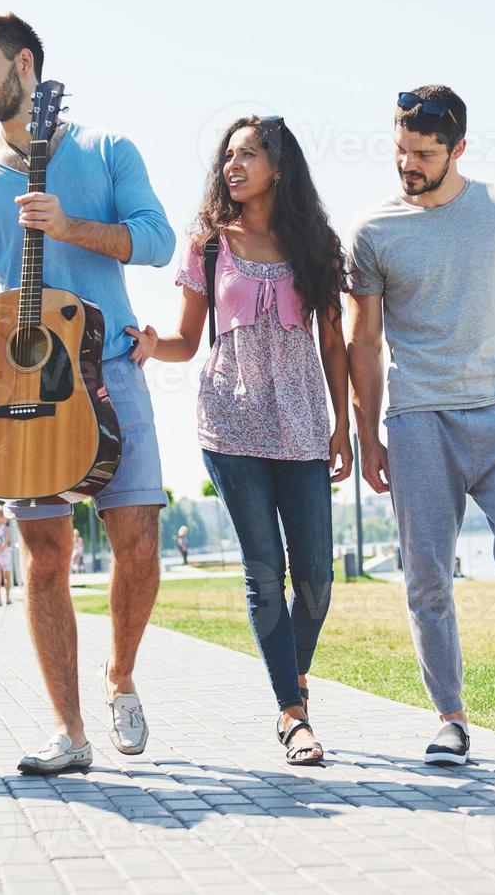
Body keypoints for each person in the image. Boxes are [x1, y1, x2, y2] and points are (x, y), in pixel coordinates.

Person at [0, 14, 174, 774]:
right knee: (45, 555)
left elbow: (156, 240)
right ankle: (71, 731)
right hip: (21, 386)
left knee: (137, 542)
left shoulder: (104, 149)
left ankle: (121, 673)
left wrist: (74, 226)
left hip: (113, 371)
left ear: (25, 63)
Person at [345, 86, 495, 766]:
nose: (407, 164)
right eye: (400, 151)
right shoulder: (373, 231)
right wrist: (368, 434)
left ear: (458, 149)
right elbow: (363, 345)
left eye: (422, 153)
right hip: (420, 419)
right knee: (426, 575)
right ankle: (449, 716)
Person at [130, 115, 352, 765]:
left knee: (314, 575)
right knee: (264, 572)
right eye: (228, 155)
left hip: (303, 421)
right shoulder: (206, 245)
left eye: (247, 154)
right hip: (229, 422)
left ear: (277, 167)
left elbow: (333, 343)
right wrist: (149, 346)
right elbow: (183, 339)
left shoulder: (316, 245)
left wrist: (342, 425)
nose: (232, 165)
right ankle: (292, 715)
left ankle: (292, 680)